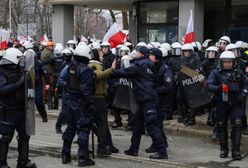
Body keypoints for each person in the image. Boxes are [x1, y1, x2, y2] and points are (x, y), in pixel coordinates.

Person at [112, 46, 168, 159]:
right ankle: (134, 149)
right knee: (137, 125)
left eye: (137, 52)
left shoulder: (140, 65)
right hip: (144, 99)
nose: (135, 53)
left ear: (141, 54)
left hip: (147, 99)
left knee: (152, 126)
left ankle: (162, 152)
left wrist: (112, 70)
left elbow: (124, 72)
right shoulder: (149, 64)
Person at [58, 44, 95, 167]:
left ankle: (65, 154)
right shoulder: (86, 70)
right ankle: (83, 158)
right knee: (83, 128)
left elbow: (67, 83)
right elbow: (86, 90)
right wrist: (91, 103)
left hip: (70, 102)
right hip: (81, 103)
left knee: (70, 128)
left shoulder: (71, 68)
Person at [207, 51, 248, 160]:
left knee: (237, 125)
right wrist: (219, 87)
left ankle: (236, 150)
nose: (227, 64)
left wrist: (244, 93)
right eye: (225, 62)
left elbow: (246, 84)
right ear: (221, 62)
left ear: (234, 62)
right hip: (221, 103)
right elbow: (209, 85)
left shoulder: (239, 72)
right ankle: (224, 149)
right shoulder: (216, 72)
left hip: (236, 103)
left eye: (230, 62)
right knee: (221, 126)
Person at [0, 48, 36, 168]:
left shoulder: (21, 71)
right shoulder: (2, 72)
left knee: (25, 136)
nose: (21, 62)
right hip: (8, 110)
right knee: (6, 137)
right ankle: (2, 163)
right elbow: (2, 90)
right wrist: (19, 83)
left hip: (22, 108)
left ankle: (23, 161)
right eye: (19, 60)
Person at [88, 48, 119, 157]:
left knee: (102, 123)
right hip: (98, 98)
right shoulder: (94, 65)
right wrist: (111, 69)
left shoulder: (93, 64)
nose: (102, 56)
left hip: (95, 98)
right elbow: (98, 75)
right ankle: (102, 148)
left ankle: (108, 144)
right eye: (100, 55)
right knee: (101, 124)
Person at [145, 48, 173, 154]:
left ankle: (159, 145)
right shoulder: (152, 67)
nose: (150, 57)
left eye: (151, 55)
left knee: (157, 124)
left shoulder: (165, 69)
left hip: (162, 101)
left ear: (157, 57)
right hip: (154, 100)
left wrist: (155, 91)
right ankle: (160, 143)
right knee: (154, 124)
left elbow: (168, 86)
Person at [55, 48, 74, 134]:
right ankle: (58, 126)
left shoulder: (76, 66)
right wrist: (67, 84)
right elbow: (60, 79)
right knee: (64, 111)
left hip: (74, 93)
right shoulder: (66, 66)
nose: (66, 57)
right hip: (66, 92)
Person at [41, 41, 55, 109]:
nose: (53, 47)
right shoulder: (49, 52)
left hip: (44, 72)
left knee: (46, 85)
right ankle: (49, 99)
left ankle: (45, 98)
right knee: (50, 85)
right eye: (52, 46)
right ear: (49, 46)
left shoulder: (44, 51)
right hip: (49, 72)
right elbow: (53, 60)